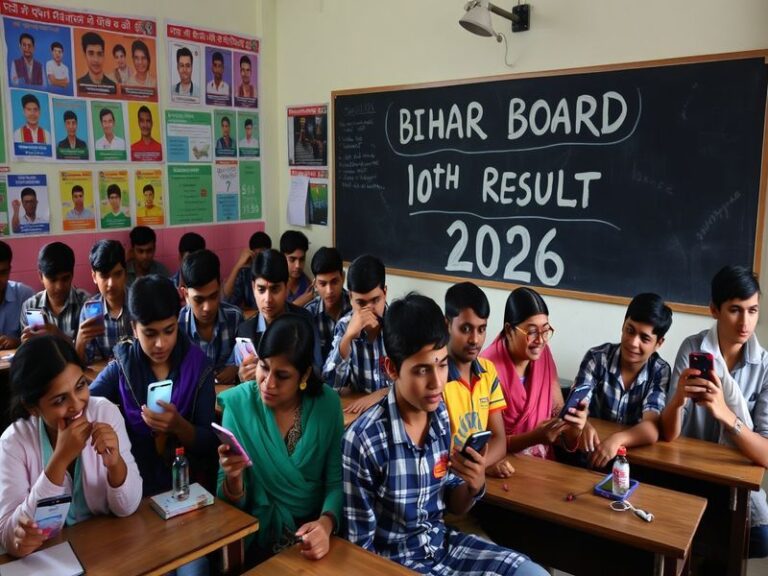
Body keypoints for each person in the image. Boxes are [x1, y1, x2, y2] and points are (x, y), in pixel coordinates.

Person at [342, 293, 547, 576]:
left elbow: (454, 502)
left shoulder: (438, 416)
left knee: (534, 573)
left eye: (441, 364)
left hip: (442, 546)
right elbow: (360, 553)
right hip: (397, 563)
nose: (437, 382)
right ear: (391, 369)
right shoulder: (363, 442)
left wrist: (473, 485)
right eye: (422, 370)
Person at [0, 336, 142, 557]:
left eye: (81, 386)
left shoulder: (104, 412)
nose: (77, 405)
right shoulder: (13, 442)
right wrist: (60, 460)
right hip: (49, 560)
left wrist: (116, 465)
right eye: (59, 400)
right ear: (33, 408)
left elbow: (128, 507)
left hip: (107, 551)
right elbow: (9, 535)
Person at [661, 265, 768, 558]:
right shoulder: (693, 347)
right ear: (714, 310)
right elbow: (669, 434)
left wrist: (725, 413)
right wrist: (678, 400)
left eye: (753, 310)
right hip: (687, 472)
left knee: (761, 539)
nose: (745, 322)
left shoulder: (765, 366)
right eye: (735, 309)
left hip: (734, 480)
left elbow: (766, 454)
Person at [218, 314, 342, 564]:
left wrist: (326, 524)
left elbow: (336, 482)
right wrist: (233, 479)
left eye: (282, 376)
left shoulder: (327, 405)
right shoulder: (240, 405)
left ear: (304, 376)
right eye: (264, 367)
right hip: (257, 536)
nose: (268, 383)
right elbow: (227, 506)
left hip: (310, 535)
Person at [90, 275, 218, 497]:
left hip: (186, 486)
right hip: (134, 486)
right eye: (150, 333)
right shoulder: (122, 367)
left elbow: (208, 441)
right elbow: (86, 402)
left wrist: (179, 425)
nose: (161, 344)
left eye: (169, 330)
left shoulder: (199, 367)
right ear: (134, 328)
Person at [565, 293, 672, 468]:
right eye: (630, 330)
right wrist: (584, 424)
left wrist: (617, 440)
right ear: (623, 325)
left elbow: (651, 429)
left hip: (633, 461)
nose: (632, 342)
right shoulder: (597, 358)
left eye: (644, 338)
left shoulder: (660, 370)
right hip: (590, 453)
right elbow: (573, 408)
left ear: (659, 343)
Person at [480, 287, 576, 459]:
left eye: (545, 331)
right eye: (531, 332)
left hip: (542, 464)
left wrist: (575, 424)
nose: (540, 340)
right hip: (502, 463)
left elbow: (557, 410)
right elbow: (488, 442)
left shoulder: (543, 355)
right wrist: (534, 438)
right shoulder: (486, 367)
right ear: (509, 330)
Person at [443, 282, 514, 477]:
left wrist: (479, 467)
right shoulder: (437, 378)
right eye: (466, 329)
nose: (475, 339)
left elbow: (500, 440)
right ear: (447, 325)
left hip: (474, 479)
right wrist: (482, 468)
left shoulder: (487, 371)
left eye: (481, 329)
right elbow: (439, 453)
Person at [323, 255, 392, 414]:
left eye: (375, 300)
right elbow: (330, 387)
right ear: (350, 298)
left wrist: (381, 394)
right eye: (361, 303)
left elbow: (410, 383)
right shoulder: (345, 325)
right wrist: (347, 338)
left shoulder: (399, 324)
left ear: (385, 293)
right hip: (360, 412)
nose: (369, 310)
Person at [236, 249, 314, 383]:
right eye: (261, 289)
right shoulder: (245, 331)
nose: (267, 299)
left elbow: (315, 370)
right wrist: (241, 378)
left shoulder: (304, 321)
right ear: (253, 287)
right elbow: (242, 382)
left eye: (275, 289)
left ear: (287, 287)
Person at [178, 250, 242, 386]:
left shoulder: (235, 318)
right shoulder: (177, 326)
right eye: (198, 300)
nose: (207, 307)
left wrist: (236, 367)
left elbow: (243, 355)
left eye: (213, 296)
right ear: (185, 294)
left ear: (220, 287)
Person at [75, 240, 131, 364]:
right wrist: (80, 341)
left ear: (125, 273)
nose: (111, 284)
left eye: (117, 274)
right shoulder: (89, 311)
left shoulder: (138, 302)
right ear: (94, 277)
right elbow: (86, 364)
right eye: (105, 276)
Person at [20, 242, 89, 342]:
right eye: (53, 280)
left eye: (65, 279)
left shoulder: (86, 304)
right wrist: (27, 344)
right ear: (41, 277)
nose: (59, 287)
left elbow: (89, 353)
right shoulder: (30, 306)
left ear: (72, 274)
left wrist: (58, 335)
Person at [304, 247, 350, 362]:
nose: (329, 290)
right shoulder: (309, 314)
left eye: (334, 282)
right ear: (315, 284)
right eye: (323, 284)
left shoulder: (355, 308)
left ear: (343, 278)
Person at [223, 230, 271, 309]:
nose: (259, 261)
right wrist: (238, 266)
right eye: (256, 255)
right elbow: (227, 301)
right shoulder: (245, 272)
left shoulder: (274, 269)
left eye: (262, 255)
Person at [0, 241, 34, 349]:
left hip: (19, 363)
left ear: (10, 270)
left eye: (3, 272)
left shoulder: (27, 295)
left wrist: (19, 342)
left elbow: (40, 337)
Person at [280, 231, 313, 306]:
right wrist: (298, 303)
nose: (298, 265)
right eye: (292, 259)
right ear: (282, 257)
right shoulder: (273, 283)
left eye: (301, 259)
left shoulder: (308, 285)